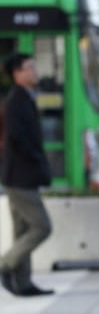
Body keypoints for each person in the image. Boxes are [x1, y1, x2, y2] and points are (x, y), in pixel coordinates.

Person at [0, 53, 54, 297]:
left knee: (22, 230)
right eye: (29, 67)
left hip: (20, 176)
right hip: (20, 177)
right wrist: (36, 160)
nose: (35, 71)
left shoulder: (23, 97)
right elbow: (18, 138)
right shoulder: (16, 100)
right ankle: (5, 264)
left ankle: (23, 283)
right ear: (17, 74)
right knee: (41, 227)